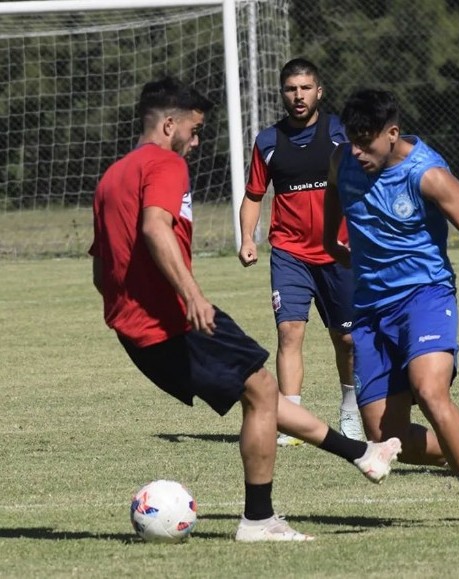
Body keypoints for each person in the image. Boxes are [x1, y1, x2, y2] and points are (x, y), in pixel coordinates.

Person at [90, 77, 401, 543]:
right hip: (173, 320)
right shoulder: (165, 164)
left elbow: (100, 264)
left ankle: (362, 453)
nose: (195, 143)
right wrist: (193, 296)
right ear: (169, 124)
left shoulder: (113, 175)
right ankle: (259, 520)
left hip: (136, 329)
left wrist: (123, 307)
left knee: (259, 391)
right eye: (193, 131)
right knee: (260, 387)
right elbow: (155, 229)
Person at [323, 88, 459, 532]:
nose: (356, 152)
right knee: (384, 435)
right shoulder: (343, 160)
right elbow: (332, 202)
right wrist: (329, 242)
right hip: (370, 310)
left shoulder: (427, 175)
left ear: (392, 133)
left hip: (425, 297)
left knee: (431, 390)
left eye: (366, 142)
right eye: (350, 141)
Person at [239, 58, 363, 446]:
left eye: (305, 88)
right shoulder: (268, 142)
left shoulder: (342, 133)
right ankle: (290, 419)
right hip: (289, 253)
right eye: (291, 89)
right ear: (283, 93)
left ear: (319, 92)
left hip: (339, 253)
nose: (298, 96)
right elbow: (253, 196)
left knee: (346, 340)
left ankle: (351, 409)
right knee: (289, 331)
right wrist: (247, 238)